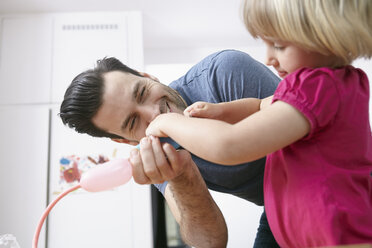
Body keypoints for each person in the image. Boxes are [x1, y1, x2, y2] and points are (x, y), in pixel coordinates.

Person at [145, 0, 372, 247]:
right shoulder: (334, 83)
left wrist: (168, 121)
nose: (268, 59)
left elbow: (230, 145)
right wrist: (222, 111)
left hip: (336, 235)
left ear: (327, 36)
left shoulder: (314, 87)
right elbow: (262, 104)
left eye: (278, 45)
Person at [59, 50, 281, 247]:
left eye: (142, 93)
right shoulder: (160, 154)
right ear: (126, 141)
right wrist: (183, 177)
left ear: (147, 76)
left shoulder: (222, 73)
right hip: (277, 209)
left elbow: (308, 122)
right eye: (133, 122)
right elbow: (211, 243)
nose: (154, 113)